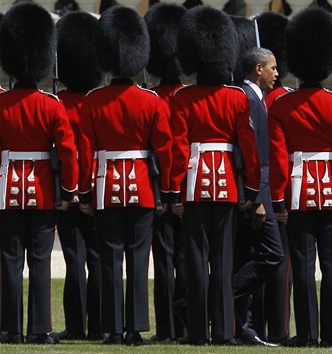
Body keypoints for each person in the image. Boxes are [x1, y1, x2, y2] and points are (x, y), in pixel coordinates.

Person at [268, 7, 332, 348]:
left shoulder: (282, 106)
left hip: (297, 194)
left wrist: (278, 198)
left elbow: (279, 157)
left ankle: (308, 333)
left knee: (305, 267)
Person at [77, 5, 173, 346]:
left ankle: (113, 328)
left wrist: (86, 192)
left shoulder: (94, 100)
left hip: (105, 187)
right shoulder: (150, 100)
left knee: (109, 259)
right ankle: (135, 329)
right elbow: (165, 149)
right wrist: (166, 191)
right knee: (137, 258)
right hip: (142, 187)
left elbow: (85, 151)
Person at [169, 6, 260, 346]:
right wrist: (250, 187)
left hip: (192, 186)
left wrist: (174, 192)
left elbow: (178, 150)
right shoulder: (235, 98)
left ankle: (197, 332)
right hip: (226, 186)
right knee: (222, 261)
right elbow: (248, 147)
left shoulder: (182, 98)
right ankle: (223, 331)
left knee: (195, 260)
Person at [0, 2, 79, 345]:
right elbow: (68, 151)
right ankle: (39, 329)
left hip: (6, 190)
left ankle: (10, 329)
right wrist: (70, 188)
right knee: (40, 262)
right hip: (44, 190)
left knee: (9, 261)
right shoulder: (51, 104)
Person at [54, 10, 105, 342]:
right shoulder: (98, 101)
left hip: (68, 191)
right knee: (98, 258)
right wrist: (88, 191)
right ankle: (99, 325)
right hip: (99, 191)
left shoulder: (57, 100)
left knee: (75, 259)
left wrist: (71, 191)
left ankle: (75, 326)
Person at [233, 47, 284, 347]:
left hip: (257, 189)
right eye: (273, 68)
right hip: (256, 191)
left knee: (248, 256)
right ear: (258, 69)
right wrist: (257, 197)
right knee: (273, 253)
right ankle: (222, 299)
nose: (277, 74)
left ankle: (243, 325)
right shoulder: (249, 99)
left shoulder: (257, 98)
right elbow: (250, 155)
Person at [143, 2, 188, 343]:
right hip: (189, 190)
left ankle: (168, 328)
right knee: (187, 259)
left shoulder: (153, 97)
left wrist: (166, 192)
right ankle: (186, 324)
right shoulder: (188, 96)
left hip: (161, 190)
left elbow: (165, 150)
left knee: (165, 260)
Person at [249, 12, 293, 345]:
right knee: (275, 260)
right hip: (270, 193)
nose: (277, 74)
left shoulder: (274, 100)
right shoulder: (267, 101)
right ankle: (271, 328)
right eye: (273, 68)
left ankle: (272, 328)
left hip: (273, 192)